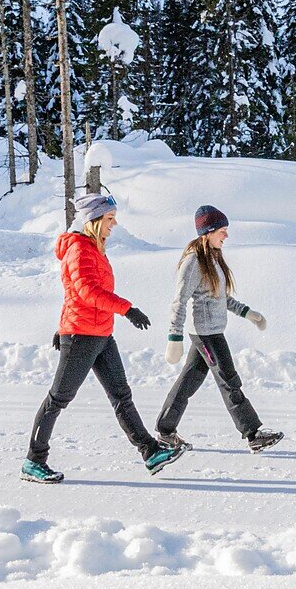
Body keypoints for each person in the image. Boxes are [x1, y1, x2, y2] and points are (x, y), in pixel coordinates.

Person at [23, 193, 184, 482]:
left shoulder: (94, 249)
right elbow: (87, 291)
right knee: (58, 399)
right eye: (110, 218)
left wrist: (63, 325)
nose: (114, 223)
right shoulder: (80, 250)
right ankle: (33, 461)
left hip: (100, 334)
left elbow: (73, 293)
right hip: (82, 336)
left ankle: (150, 451)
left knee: (121, 395)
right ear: (94, 220)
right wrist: (127, 309)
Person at [156, 205, 284, 452]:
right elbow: (179, 300)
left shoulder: (213, 258)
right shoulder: (193, 262)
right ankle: (253, 434)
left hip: (211, 331)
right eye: (222, 230)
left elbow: (221, 298)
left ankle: (165, 431)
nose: (226, 235)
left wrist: (248, 313)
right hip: (207, 334)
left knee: (188, 382)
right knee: (229, 380)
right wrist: (174, 336)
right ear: (208, 232)